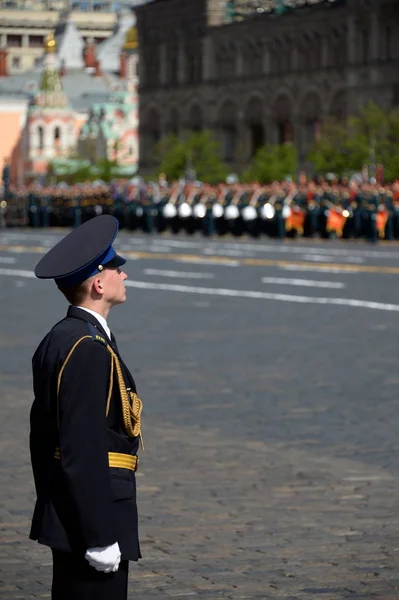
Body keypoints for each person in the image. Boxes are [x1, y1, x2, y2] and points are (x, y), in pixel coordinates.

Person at [29, 214, 143, 600]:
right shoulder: (87, 348)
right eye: (116, 268)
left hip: (72, 508)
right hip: (93, 519)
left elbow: (42, 438)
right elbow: (82, 446)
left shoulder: (63, 337)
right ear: (98, 283)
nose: (123, 275)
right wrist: (98, 535)